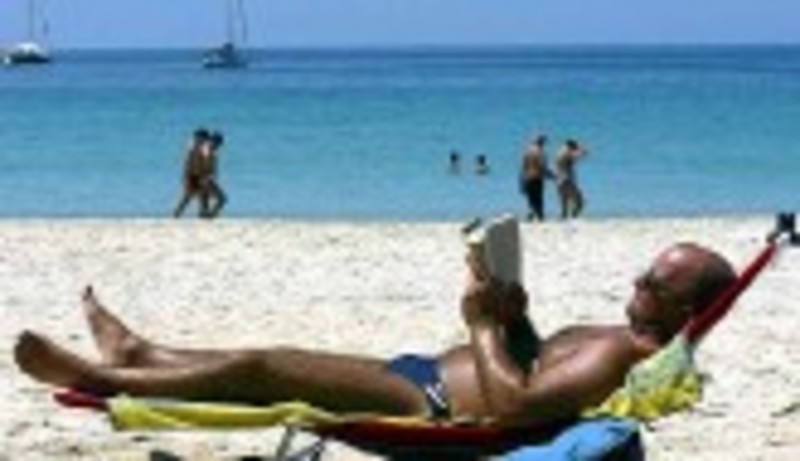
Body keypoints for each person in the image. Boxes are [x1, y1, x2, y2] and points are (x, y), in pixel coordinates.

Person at [14, 243, 735, 428]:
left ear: (683, 310)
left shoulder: (622, 352)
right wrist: (514, 316)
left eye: (654, 283)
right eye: (644, 271)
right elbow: (536, 367)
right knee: (260, 363)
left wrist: (482, 325)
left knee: (264, 367)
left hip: (428, 401)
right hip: (424, 375)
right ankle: (140, 355)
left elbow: (516, 407)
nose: (636, 281)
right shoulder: (624, 341)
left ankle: (104, 378)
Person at [173, 128, 212, 218]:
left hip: (195, 174)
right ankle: (178, 212)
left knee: (202, 194)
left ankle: (202, 212)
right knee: (190, 194)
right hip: (193, 174)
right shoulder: (195, 148)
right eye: (205, 139)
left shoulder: (196, 147)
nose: (206, 141)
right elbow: (190, 162)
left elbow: (191, 162)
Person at [519, 135, 554, 222]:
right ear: (540, 142)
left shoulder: (526, 152)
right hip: (537, 177)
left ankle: (531, 215)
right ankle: (539, 217)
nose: (544, 144)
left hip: (527, 178)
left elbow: (522, 168)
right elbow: (542, 166)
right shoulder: (540, 152)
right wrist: (551, 175)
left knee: (531, 199)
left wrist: (521, 182)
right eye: (543, 142)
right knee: (538, 198)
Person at [554, 139, 589, 219]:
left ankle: (564, 218)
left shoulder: (559, 152)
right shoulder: (566, 152)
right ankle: (573, 216)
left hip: (558, 181)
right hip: (566, 180)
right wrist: (581, 149)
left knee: (564, 203)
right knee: (579, 201)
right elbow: (581, 154)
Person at [200, 131, 227, 219]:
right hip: (205, 179)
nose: (220, 146)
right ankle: (210, 216)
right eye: (219, 143)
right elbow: (205, 164)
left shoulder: (209, 149)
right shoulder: (208, 150)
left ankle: (206, 216)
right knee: (222, 199)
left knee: (205, 201)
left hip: (204, 178)